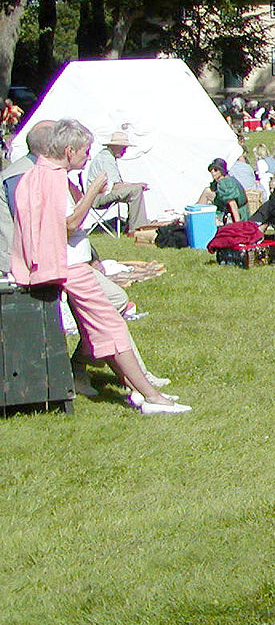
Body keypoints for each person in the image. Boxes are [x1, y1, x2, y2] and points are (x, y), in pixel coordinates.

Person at [11, 119, 188, 414]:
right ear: (69, 151)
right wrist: (94, 190)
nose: (87, 156)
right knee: (112, 327)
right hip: (67, 266)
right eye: (85, 151)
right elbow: (68, 224)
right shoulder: (53, 178)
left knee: (104, 327)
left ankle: (136, 389)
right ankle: (151, 396)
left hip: (49, 265)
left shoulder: (34, 174)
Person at [84, 129, 149, 234]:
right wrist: (137, 185)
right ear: (116, 146)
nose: (125, 151)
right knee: (136, 190)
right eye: (124, 148)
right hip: (97, 197)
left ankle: (135, 224)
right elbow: (115, 186)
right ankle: (136, 228)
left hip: (98, 194)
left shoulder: (106, 156)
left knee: (134, 190)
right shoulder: (106, 158)